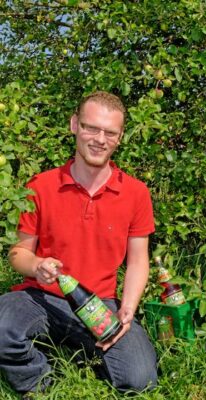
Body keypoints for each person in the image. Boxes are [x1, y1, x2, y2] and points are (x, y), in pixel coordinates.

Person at [0, 91, 157, 397]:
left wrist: (127, 309)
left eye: (110, 132)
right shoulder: (40, 186)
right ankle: (44, 385)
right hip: (40, 297)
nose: (99, 139)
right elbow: (18, 253)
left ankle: (77, 348)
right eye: (90, 128)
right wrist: (36, 265)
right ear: (74, 125)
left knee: (140, 380)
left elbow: (138, 261)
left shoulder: (137, 194)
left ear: (120, 137)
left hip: (100, 304)